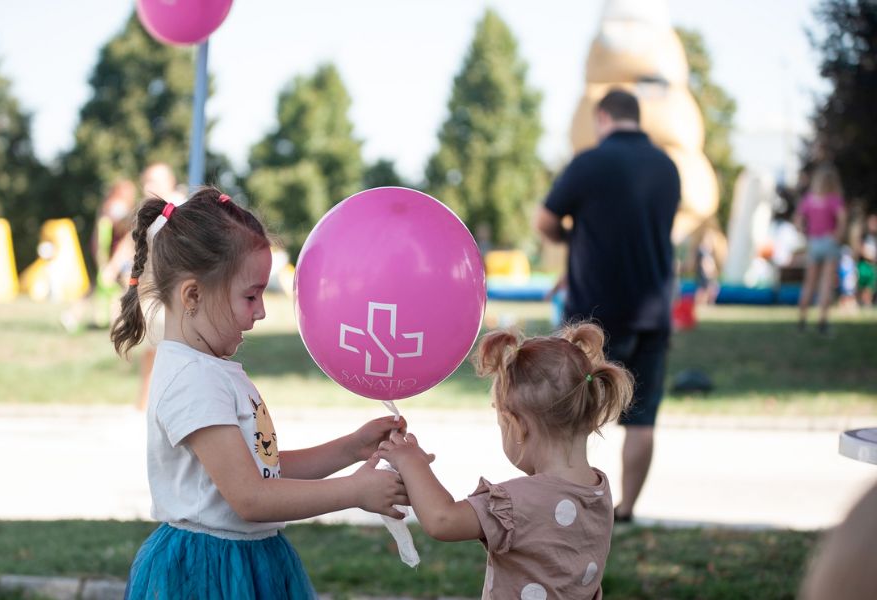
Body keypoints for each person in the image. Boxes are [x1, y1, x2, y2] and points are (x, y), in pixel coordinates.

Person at [111, 187, 409, 599]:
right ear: (193, 295)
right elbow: (250, 497)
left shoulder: (209, 369)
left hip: (245, 558)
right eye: (250, 296)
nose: (262, 310)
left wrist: (350, 449)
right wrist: (353, 492)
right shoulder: (191, 380)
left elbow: (261, 470)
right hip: (207, 573)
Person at [379, 324, 633, 599]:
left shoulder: (520, 503)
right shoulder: (598, 491)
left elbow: (443, 519)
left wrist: (411, 462)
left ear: (518, 426)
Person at [535, 89, 680, 523]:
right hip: (653, 310)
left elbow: (544, 221)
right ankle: (628, 509)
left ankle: (569, 506)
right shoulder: (667, 168)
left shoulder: (589, 163)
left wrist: (571, 244)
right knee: (642, 418)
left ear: (603, 117)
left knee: (570, 414)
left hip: (592, 316)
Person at [136, 162, 187, 410]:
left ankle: (153, 401)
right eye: (145, 181)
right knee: (152, 349)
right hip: (154, 290)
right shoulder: (151, 212)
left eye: (153, 181)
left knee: (165, 348)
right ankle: (145, 401)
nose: (147, 187)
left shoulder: (179, 208)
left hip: (173, 292)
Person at [59, 180, 137, 332]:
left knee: (116, 287)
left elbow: (124, 241)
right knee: (110, 286)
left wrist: (111, 265)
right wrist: (104, 264)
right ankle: (113, 321)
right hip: (110, 255)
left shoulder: (118, 211)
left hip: (118, 256)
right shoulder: (112, 209)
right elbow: (101, 237)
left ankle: (114, 320)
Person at [795, 164, 847, 335]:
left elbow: (798, 218)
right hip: (828, 241)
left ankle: (802, 320)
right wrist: (837, 235)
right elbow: (842, 219)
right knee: (826, 284)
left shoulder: (809, 199)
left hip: (814, 242)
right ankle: (822, 322)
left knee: (809, 283)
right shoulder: (834, 199)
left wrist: (805, 233)